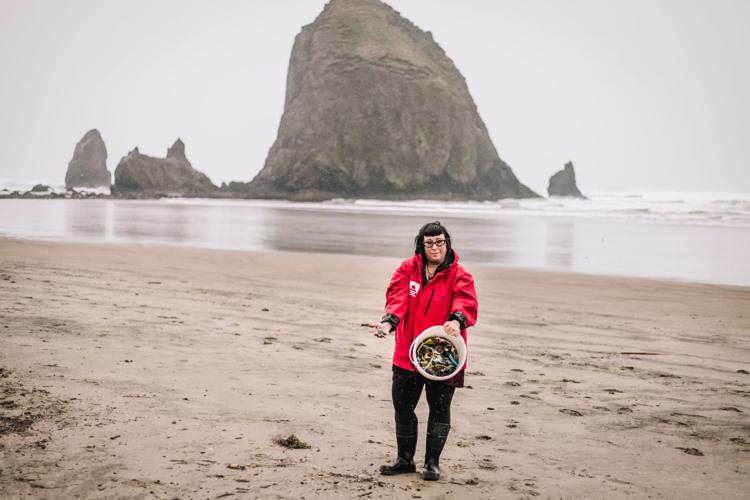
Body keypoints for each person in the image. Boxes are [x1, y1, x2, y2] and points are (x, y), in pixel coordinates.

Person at [368, 221, 478, 481]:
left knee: (439, 409)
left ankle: (431, 464)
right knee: (402, 406)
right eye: (429, 243)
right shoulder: (408, 269)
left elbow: (465, 301)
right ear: (422, 244)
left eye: (440, 242)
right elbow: (397, 300)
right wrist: (387, 323)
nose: (435, 247)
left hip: (445, 355)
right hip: (408, 352)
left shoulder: (460, 274)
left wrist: (456, 319)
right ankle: (404, 460)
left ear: (447, 243)